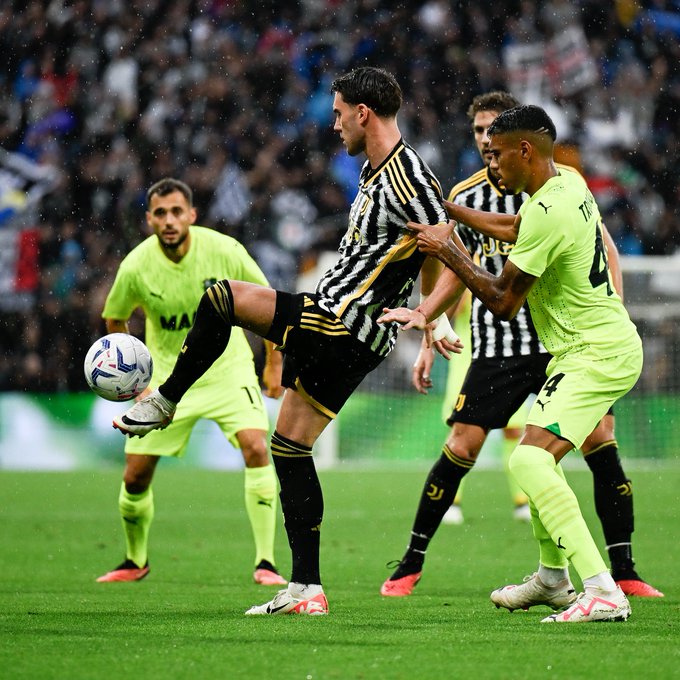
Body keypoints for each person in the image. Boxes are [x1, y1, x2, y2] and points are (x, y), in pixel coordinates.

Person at [111, 67, 459, 615]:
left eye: (339, 113)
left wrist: (430, 314)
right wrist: (432, 319)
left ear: (363, 113)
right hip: (355, 333)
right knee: (290, 449)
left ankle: (166, 399)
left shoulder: (408, 176)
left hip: (341, 321)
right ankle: (306, 589)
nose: (334, 124)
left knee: (221, 297)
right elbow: (426, 246)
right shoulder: (376, 170)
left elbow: (451, 247)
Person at [380, 92, 662, 598]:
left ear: (524, 149)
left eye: (497, 150)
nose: (489, 157)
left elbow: (503, 299)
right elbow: (513, 227)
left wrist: (449, 250)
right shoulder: (564, 183)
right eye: (482, 144)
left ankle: (609, 583)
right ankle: (549, 577)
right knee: (519, 455)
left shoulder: (549, 207)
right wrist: (447, 220)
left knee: (550, 456)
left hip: (587, 350)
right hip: (543, 349)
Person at [97, 178, 287, 587]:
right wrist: (137, 384)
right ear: (149, 219)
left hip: (227, 370)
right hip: (166, 381)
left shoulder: (224, 250)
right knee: (134, 475)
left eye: (176, 212)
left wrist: (274, 364)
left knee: (257, 448)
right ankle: (134, 560)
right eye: (160, 213)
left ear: (192, 215)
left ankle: (266, 563)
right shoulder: (136, 265)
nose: (169, 221)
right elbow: (114, 318)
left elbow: (269, 302)